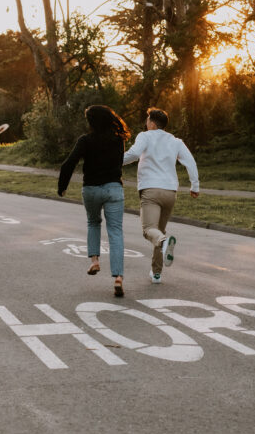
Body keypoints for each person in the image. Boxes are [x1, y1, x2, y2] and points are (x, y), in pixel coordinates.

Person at [57, 105, 131, 298]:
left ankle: (95, 261)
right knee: (115, 231)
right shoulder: (118, 140)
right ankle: (118, 278)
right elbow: (119, 162)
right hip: (114, 189)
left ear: (91, 122)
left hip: (90, 189)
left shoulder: (85, 140)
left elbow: (68, 163)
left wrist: (62, 187)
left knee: (93, 222)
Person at [123, 107, 199, 284]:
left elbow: (133, 154)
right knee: (159, 232)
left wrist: (113, 161)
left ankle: (164, 244)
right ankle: (156, 273)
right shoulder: (176, 141)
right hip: (170, 193)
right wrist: (195, 185)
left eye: (147, 119)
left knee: (148, 230)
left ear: (152, 123)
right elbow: (190, 162)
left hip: (151, 190)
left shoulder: (145, 136)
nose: (146, 123)